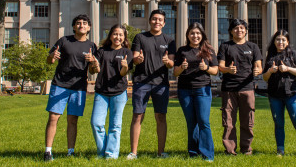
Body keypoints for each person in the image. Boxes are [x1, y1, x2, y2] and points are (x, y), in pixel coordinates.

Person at [43, 14, 97, 161]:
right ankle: (48, 151)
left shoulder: (91, 46)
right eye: (78, 23)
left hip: (79, 87)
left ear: (89, 27)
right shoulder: (64, 41)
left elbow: (93, 71)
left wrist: (93, 62)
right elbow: (50, 60)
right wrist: (52, 56)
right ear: (74, 27)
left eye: (84, 23)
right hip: (60, 84)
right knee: (54, 117)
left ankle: (70, 151)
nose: (81, 25)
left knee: (73, 120)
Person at [127, 9, 177, 159]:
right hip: (141, 82)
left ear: (164, 23)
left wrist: (168, 62)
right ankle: (133, 152)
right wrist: (138, 60)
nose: (157, 22)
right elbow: (135, 58)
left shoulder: (169, 41)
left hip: (161, 83)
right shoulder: (140, 37)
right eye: (154, 19)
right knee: (137, 115)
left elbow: (172, 63)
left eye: (160, 20)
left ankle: (161, 152)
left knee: (161, 116)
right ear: (150, 21)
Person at [173, 22, 219, 162]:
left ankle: (207, 154)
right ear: (188, 35)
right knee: (191, 122)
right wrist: (182, 67)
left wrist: (205, 68)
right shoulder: (182, 50)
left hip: (202, 88)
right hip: (185, 90)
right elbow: (175, 73)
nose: (195, 36)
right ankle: (193, 152)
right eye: (192, 33)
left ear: (202, 35)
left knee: (204, 121)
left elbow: (215, 70)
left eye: (198, 33)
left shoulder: (208, 50)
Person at [262, 29, 296, 159]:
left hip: (291, 94)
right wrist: (271, 71)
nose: (280, 42)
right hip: (274, 95)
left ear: (288, 42)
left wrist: (287, 68)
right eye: (278, 39)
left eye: (283, 40)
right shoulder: (270, 56)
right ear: (274, 41)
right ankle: (280, 150)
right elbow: (265, 77)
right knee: (278, 124)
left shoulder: (293, 54)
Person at [217, 18, 263, 156]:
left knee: (248, 120)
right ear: (231, 31)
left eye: (242, 28)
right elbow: (220, 66)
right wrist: (228, 70)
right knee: (228, 121)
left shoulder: (253, 47)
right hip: (229, 88)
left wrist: (257, 71)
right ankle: (230, 150)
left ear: (246, 31)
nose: (239, 30)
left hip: (247, 88)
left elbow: (259, 66)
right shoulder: (225, 46)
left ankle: (246, 149)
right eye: (236, 28)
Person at [88, 24, 133, 159]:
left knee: (115, 125)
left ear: (124, 37)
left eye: (120, 35)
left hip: (119, 92)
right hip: (101, 91)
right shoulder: (102, 51)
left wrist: (125, 67)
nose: (117, 37)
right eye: (115, 34)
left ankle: (111, 154)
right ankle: (102, 151)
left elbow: (123, 73)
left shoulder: (127, 53)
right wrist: (94, 65)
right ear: (110, 35)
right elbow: (93, 71)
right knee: (96, 123)